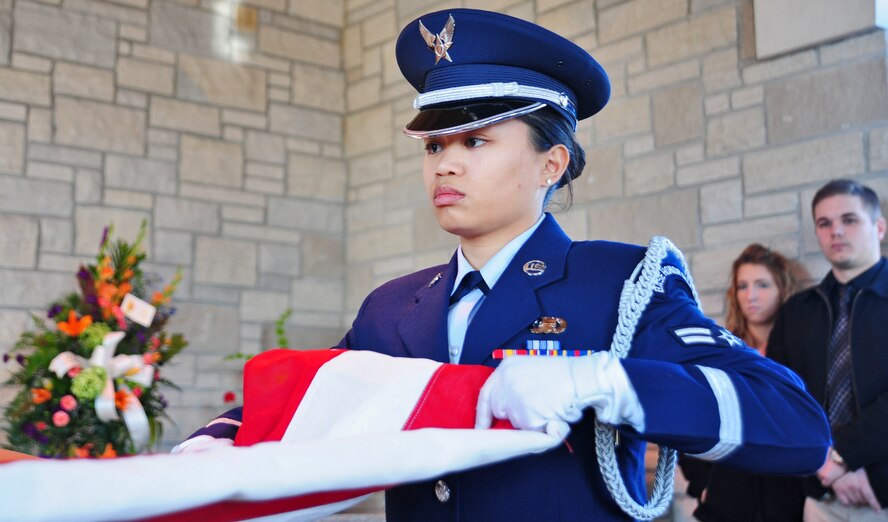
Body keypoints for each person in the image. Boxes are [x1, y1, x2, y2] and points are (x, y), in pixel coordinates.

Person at [179, 9, 830, 521]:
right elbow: (317, 397)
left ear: (552, 164)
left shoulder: (618, 286)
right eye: (434, 144)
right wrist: (219, 441)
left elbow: (794, 424)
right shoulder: (391, 307)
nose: (446, 164)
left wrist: (608, 382)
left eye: (477, 140)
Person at [769, 179, 888, 522]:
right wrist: (821, 467)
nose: (836, 231)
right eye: (825, 223)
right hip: (820, 495)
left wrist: (843, 459)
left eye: (849, 220)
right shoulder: (797, 311)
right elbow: (780, 399)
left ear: (879, 227)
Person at [680, 244, 805, 522]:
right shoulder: (719, 353)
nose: (751, 296)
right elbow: (689, 422)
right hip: (727, 502)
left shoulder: (801, 353)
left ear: (782, 288)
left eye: (762, 285)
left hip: (790, 500)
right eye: (742, 286)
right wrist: (703, 485)